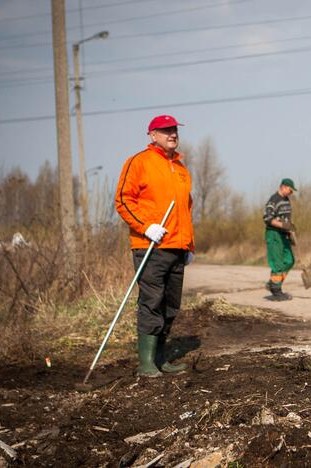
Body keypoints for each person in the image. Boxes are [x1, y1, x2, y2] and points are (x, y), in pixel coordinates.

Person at [115, 114, 195, 378]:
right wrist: (146, 226)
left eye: (174, 129)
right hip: (150, 245)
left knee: (171, 306)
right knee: (152, 302)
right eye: (165, 130)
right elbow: (123, 201)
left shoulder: (181, 169)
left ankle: (162, 360)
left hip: (177, 247)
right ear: (152, 135)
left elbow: (186, 208)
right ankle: (146, 363)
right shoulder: (139, 162)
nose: (172, 134)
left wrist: (189, 245)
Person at [263, 178, 297, 301]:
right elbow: (268, 219)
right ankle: (276, 291)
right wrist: (282, 225)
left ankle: (272, 283)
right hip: (274, 234)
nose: (291, 193)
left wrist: (290, 228)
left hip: (284, 235)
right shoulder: (273, 200)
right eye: (290, 190)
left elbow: (286, 218)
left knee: (289, 260)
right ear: (283, 186)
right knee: (277, 263)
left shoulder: (286, 200)